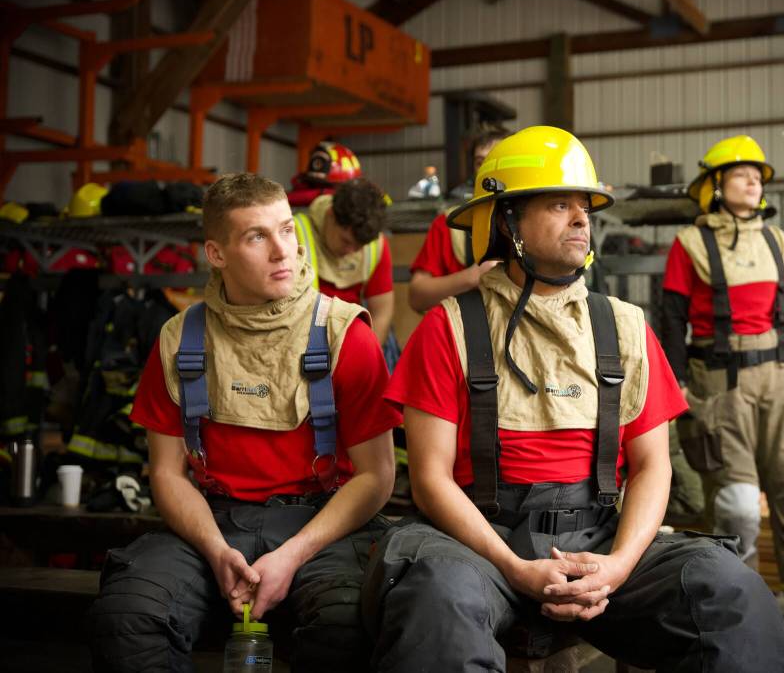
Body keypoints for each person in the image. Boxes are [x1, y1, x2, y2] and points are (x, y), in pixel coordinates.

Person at [362, 126, 784, 672]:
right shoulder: (449, 327)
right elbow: (430, 479)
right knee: (435, 603)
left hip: (601, 539)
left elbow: (652, 465)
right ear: (507, 220)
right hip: (481, 545)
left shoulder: (624, 326)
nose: (582, 219)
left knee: (733, 594)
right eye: (560, 204)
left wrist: (618, 565)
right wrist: (515, 567)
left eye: (585, 206)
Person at [89, 173, 401, 672]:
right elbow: (167, 473)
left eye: (286, 230)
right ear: (216, 254)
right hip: (213, 522)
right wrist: (214, 550)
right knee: (129, 615)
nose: (283, 252)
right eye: (257, 236)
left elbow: (378, 475)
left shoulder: (344, 334)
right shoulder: (179, 339)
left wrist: (294, 555)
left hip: (321, 525)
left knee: (346, 625)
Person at [661, 134, 784, 651]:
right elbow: (671, 318)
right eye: (741, 174)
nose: (754, 181)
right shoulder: (689, 244)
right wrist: (675, 385)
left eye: (758, 175)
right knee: (738, 507)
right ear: (715, 186)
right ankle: (745, 618)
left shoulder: (777, 241)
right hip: (719, 384)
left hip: (780, 377)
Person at [407, 127, 510, 313]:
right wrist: (472, 277)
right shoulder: (451, 224)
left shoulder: (536, 222)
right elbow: (416, 296)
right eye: (480, 162)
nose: (487, 169)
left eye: (496, 159)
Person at [294, 176, 394, 347]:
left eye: (359, 246)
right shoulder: (294, 234)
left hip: (352, 343)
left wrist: (367, 356)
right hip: (302, 341)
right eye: (346, 241)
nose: (350, 252)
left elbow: (382, 312)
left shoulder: (376, 244)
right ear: (330, 215)